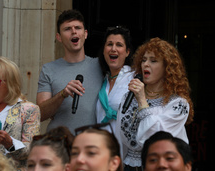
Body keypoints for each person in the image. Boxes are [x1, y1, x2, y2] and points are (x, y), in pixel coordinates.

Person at [115, 37, 194, 170]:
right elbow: (119, 134)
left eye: (153, 61)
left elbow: (156, 137)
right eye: (144, 60)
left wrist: (142, 100)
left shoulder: (178, 104)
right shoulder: (128, 97)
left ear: (166, 67)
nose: (146, 64)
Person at [36, 9, 103, 133]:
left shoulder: (101, 65)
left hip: (91, 144)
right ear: (59, 37)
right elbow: (40, 114)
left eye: (78, 27)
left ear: (85, 33)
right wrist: (62, 94)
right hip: (59, 144)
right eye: (67, 29)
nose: (73, 31)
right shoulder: (48, 69)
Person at [96, 26, 134, 133]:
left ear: (127, 52)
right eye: (109, 44)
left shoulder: (134, 78)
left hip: (124, 147)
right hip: (102, 146)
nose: (113, 49)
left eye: (119, 45)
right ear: (104, 50)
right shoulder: (103, 80)